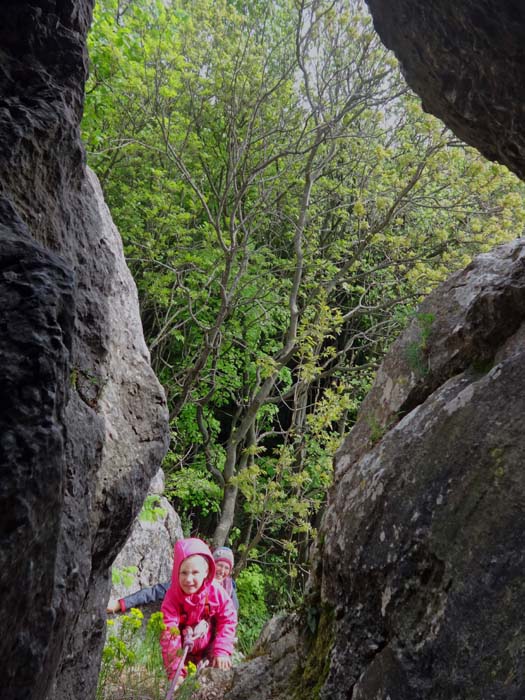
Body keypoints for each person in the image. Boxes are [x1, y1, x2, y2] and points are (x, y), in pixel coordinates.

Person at [160, 537, 237, 683]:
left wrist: (222, 649)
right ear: (176, 572)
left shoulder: (215, 591)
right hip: (183, 651)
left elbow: (229, 617)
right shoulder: (172, 597)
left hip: (209, 649)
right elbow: (169, 633)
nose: (189, 579)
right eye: (183, 573)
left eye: (195, 573)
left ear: (206, 573)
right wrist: (176, 673)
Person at [107, 545, 239, 613]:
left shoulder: (229, 589)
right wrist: (120, 604)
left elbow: (231, 616)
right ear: (209, 567)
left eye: (226, 568)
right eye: (219, 565)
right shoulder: (191, 581)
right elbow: (153, 592)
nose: (222, 571)